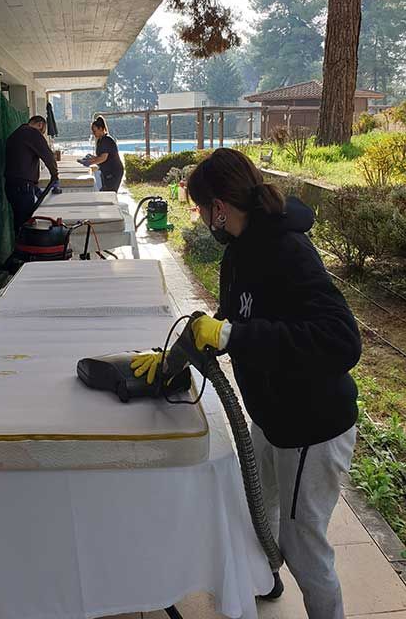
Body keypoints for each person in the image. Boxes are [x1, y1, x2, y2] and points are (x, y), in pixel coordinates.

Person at [132, 148, 361, 619]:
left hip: (312, 427)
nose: (200, 220)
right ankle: (263, 577)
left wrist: (234, 335)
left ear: (220, 206)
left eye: (199, 208)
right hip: (273, 415)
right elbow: (237, 320)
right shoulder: (239, 253)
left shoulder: (288, 250)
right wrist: (176, 356)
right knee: (259, 509)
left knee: (303, 545)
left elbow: (341, 340)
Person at [4, 115, 59, 233]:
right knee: (26, 223)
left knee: (19, 221)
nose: (42, 135)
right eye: (43, 132)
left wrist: (34, 188)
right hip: (22, 188)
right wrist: (55, 175)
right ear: (39, 125)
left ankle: (20, 247)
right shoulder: (32, 133)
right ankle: (25, 249)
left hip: (11, 186)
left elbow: (20, 164)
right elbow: (48, 156)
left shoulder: (15, 135)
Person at [87, 116, 124, 193]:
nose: (93, 133)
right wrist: (92, 158)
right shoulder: (100, 140)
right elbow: (100, 156)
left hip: (114, 172)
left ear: (100, 129)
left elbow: (103, 158)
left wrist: (90, 162)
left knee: (109, 193)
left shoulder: (106, 140)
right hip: (108, 171)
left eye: (94, 131)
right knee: (105, 191)